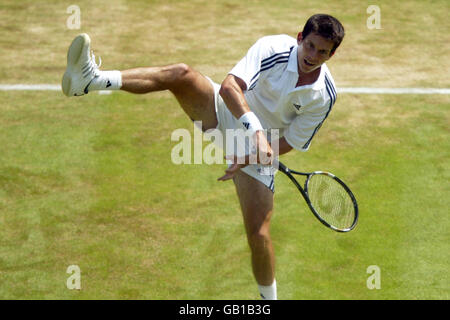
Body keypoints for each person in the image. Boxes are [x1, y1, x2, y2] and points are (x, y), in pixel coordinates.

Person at [62, 13, 345, 300]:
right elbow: (229, 87)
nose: (313, 55)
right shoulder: (273, 49)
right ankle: (91, 80)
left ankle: (269, 302)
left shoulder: (324, 95)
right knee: (181, 75)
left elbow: (292, 140)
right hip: (227, 112)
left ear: (332, 54)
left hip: (254, 151)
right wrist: (257, 131)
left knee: (259, 234)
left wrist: (250, 156)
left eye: (322, 51)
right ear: (300, 38)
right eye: (309, 46)